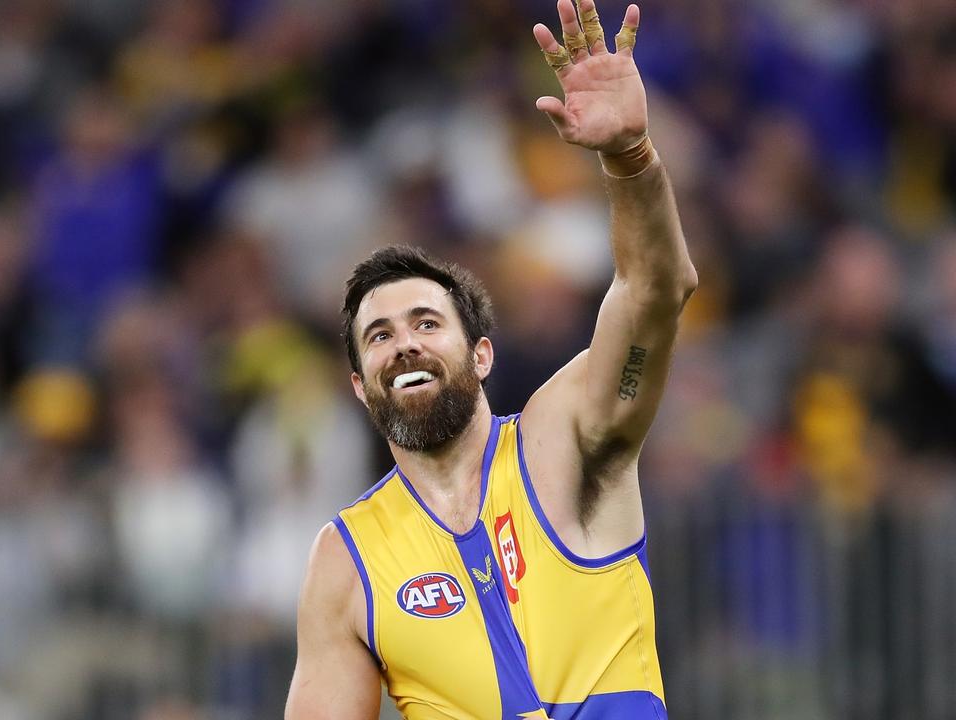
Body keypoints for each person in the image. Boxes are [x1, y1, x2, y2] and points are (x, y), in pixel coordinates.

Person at [284, 1, 696, 718]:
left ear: (480, 354)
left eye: (425, 323)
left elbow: (655, 291)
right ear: (358, 386)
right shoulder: (346, 563)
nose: (404, 342)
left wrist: (630, 159)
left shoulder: (561, 442)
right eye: (378, 336)